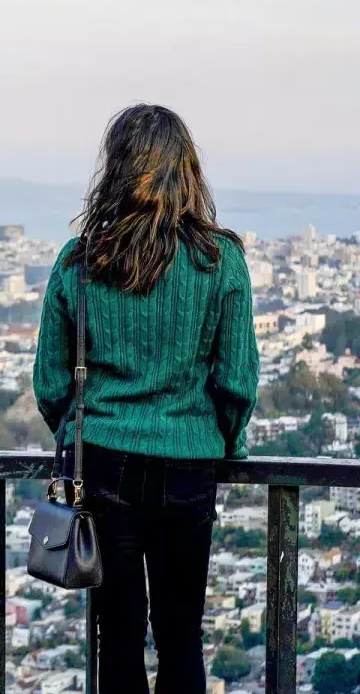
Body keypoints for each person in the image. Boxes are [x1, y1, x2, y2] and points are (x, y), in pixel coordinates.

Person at [33, 104, 259, 693]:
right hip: (189, 462)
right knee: (182, 632)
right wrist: (222, 443)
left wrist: (82, 425)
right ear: (187, 171)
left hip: (104, 457)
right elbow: (237, 382)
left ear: (115, 168)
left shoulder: (82, 262)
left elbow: (51, 382)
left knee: (120, 632)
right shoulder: (220, 260)